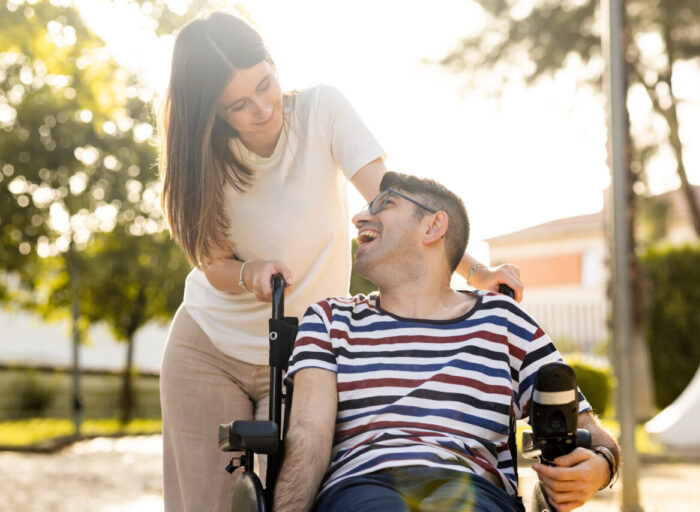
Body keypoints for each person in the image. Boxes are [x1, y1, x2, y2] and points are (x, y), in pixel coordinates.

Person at [158, 12, 524, 512]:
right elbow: (211, 262)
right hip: (206, 349)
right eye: (239, 105)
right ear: (213, 112)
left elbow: (395, 206)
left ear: (273, 63)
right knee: (209, 504)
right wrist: (250, 272)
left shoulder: (322, 110)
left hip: (299, 352)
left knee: (291, 494)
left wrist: (476, 272)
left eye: (266, 84)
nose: (263, 109)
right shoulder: (201, 156)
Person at [273, 172, 620, 512]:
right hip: (366, 485)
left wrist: (600, 467)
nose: (360, 216)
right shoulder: (329, 320)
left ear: (434, 227)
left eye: (384, 204)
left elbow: (589, 430)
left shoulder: (503, 321)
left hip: (473, 489)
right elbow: (308, 439)